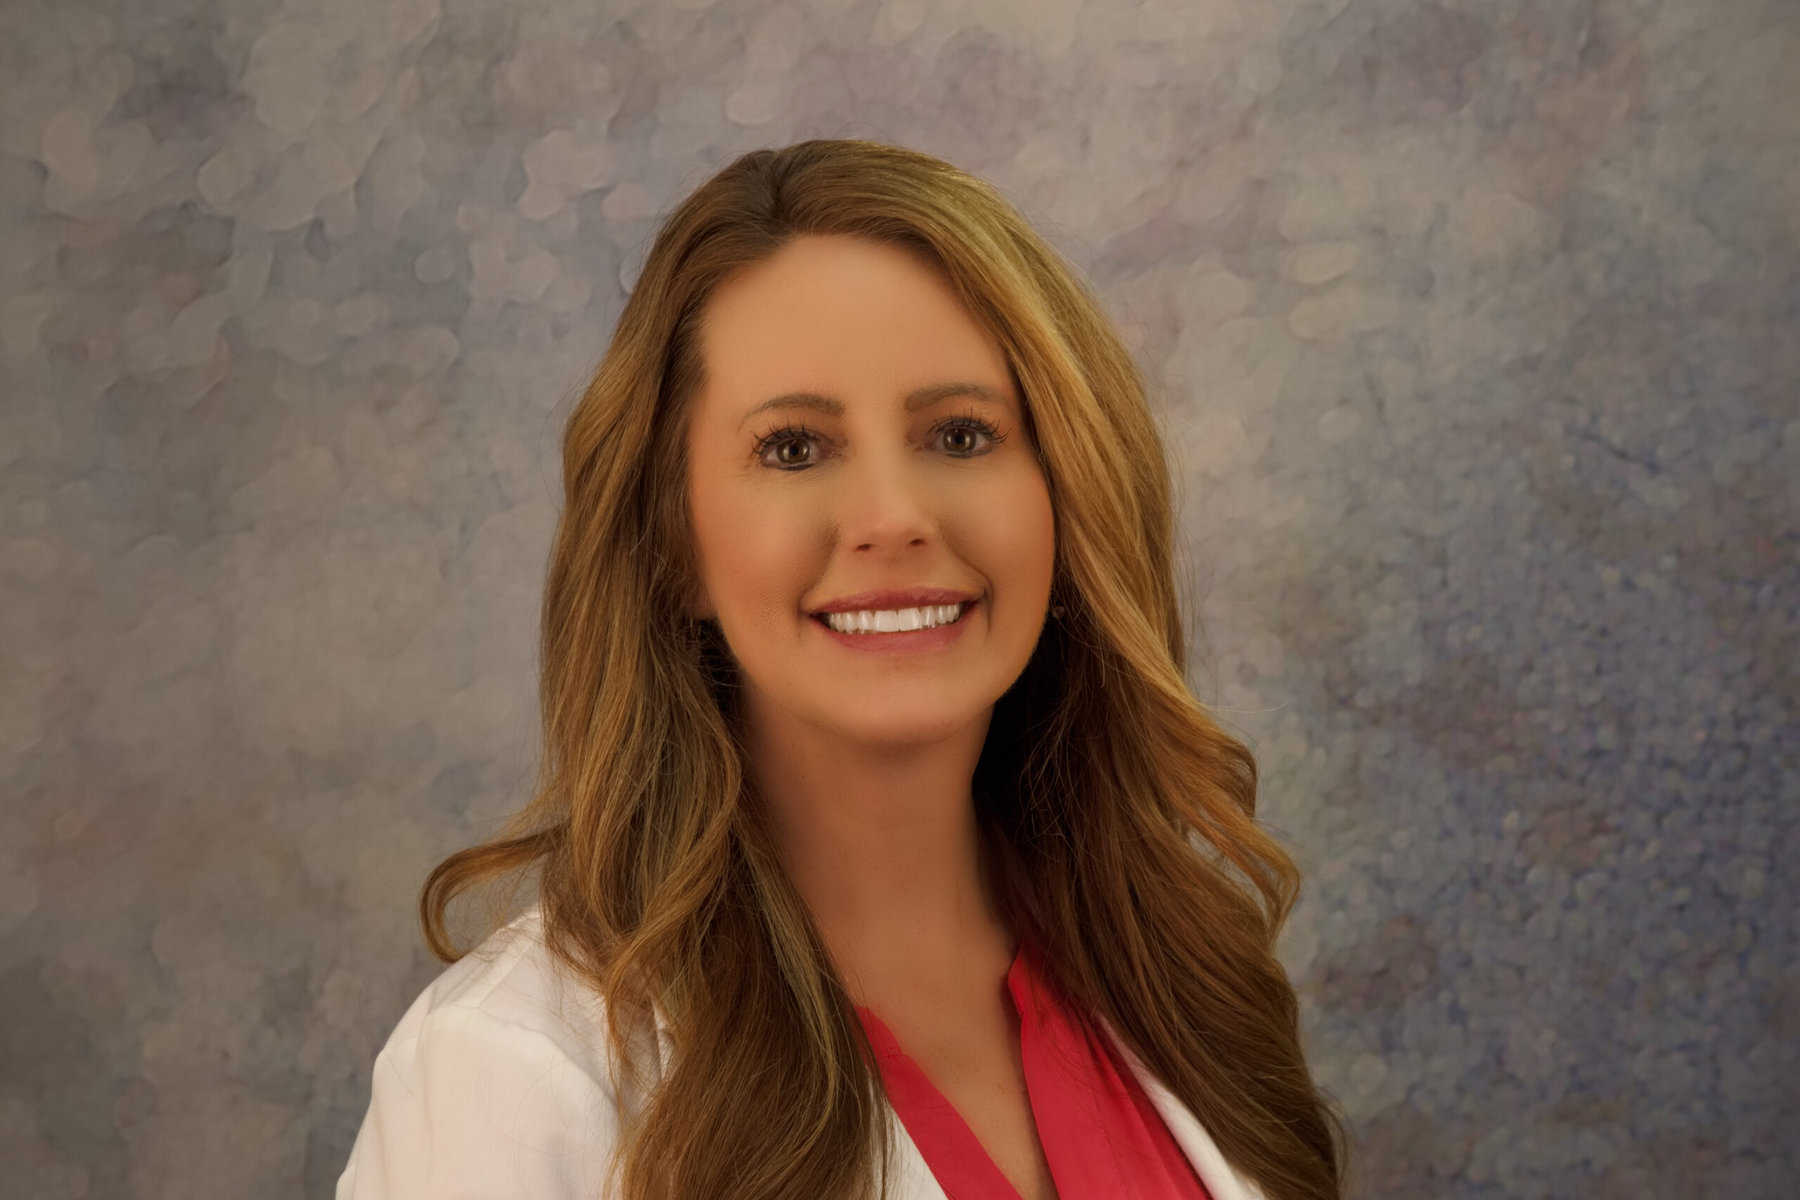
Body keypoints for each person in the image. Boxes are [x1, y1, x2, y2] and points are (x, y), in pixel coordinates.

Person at [336, 138, 1346, 1200]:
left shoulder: (1178, 981)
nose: (893, 519)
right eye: (793, 449)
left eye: (960, 436)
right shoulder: (517, 1071)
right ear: (673, 545)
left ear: (1068, 499)